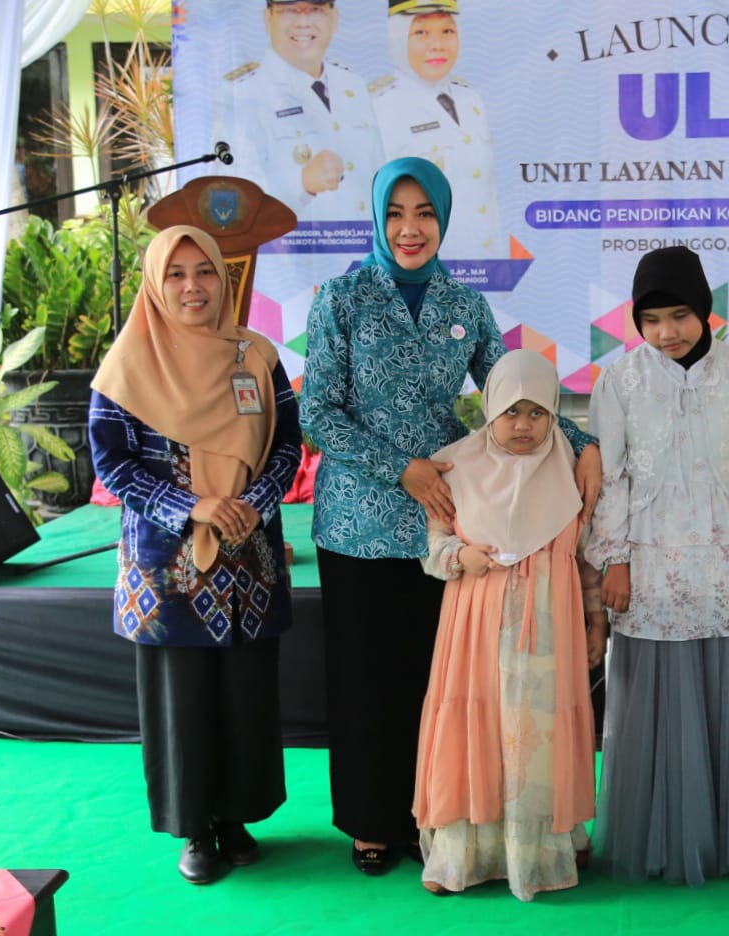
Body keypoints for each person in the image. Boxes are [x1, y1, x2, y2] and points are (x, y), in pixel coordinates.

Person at [299, 156, 601, 875]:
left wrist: (582, 442)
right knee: (366, 676)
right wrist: (398, 466)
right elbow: (317, 413)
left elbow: (513, 391)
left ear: (443, 220)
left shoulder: (464, 305)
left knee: (437, 679)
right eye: (396, 214)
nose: (411, 229)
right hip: (359, 522)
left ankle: (432, 816)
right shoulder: (341, 298)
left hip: (450, 519)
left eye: (425, 214)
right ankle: (371, 822)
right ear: (378, 220)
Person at [585, 245, 729, 886]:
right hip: (649, 566)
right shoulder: (619, 382)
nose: (667, 333)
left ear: (705, 310)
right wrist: (614, 562)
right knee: (660, 702)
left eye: (680, 315)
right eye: (652, 320)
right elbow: (611, 480)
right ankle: (664, 843)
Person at [88, 225, 303, 885]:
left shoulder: (256, 355)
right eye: (176, 274)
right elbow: (111, 462)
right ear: (157, 284)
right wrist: (192, 507)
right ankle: (195, 830)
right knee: (181, 701)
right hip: (167, 564)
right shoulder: (128, 363)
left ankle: (236, 819)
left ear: (223, 278)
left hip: (248, 556)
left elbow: (288, 444)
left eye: (204, 272)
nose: (192, 287)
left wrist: (253, 503)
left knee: (244, 693)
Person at [413, 349, 604, 900]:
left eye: (538, 412)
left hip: (550, 627)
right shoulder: (455, 467)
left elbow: (587, 556)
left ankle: (546, 848)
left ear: (553, 414)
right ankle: (465, 854)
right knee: (476, 726)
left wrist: (596, 620)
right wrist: (459, 557)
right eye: (511, 412)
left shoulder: (571, 471)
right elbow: (430, 544)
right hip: (475, 626)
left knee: (540, 729)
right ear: (490, 410)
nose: (524, 426)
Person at [218, 0, 384, 225]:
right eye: (289, 10)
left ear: (334, 19)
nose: (303, 22)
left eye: (316, 10)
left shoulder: (353, 84)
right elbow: (234, 199)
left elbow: (378, 174)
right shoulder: (244, 94)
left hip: (363, 241)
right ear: (268, 18)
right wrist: (302, 184)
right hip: (291, 244)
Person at [370, 0, 504, 258]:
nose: (437, 44)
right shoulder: (379, 107)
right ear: (398, 37)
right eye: (421, 32)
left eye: (447, 30)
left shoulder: (470, 99)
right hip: (420, 270)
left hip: (484, 266)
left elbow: (485, 197)